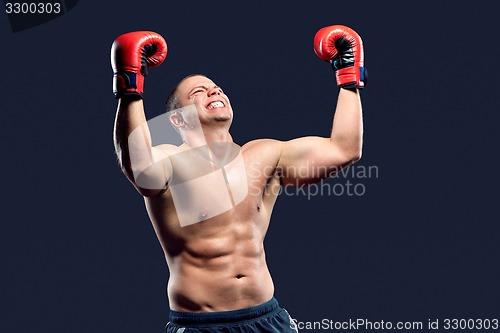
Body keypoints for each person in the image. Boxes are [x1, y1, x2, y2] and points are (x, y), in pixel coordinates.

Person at [111, 25, 366, 333]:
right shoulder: (169, 159)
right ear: (178, 119)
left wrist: (349, 77)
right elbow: (140, 170)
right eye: (199, 92)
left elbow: (344, 149)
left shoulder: (264, 155)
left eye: (216, 88)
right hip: (202, 325)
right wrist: (130, 90)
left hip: (267, 319)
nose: (214, 92)